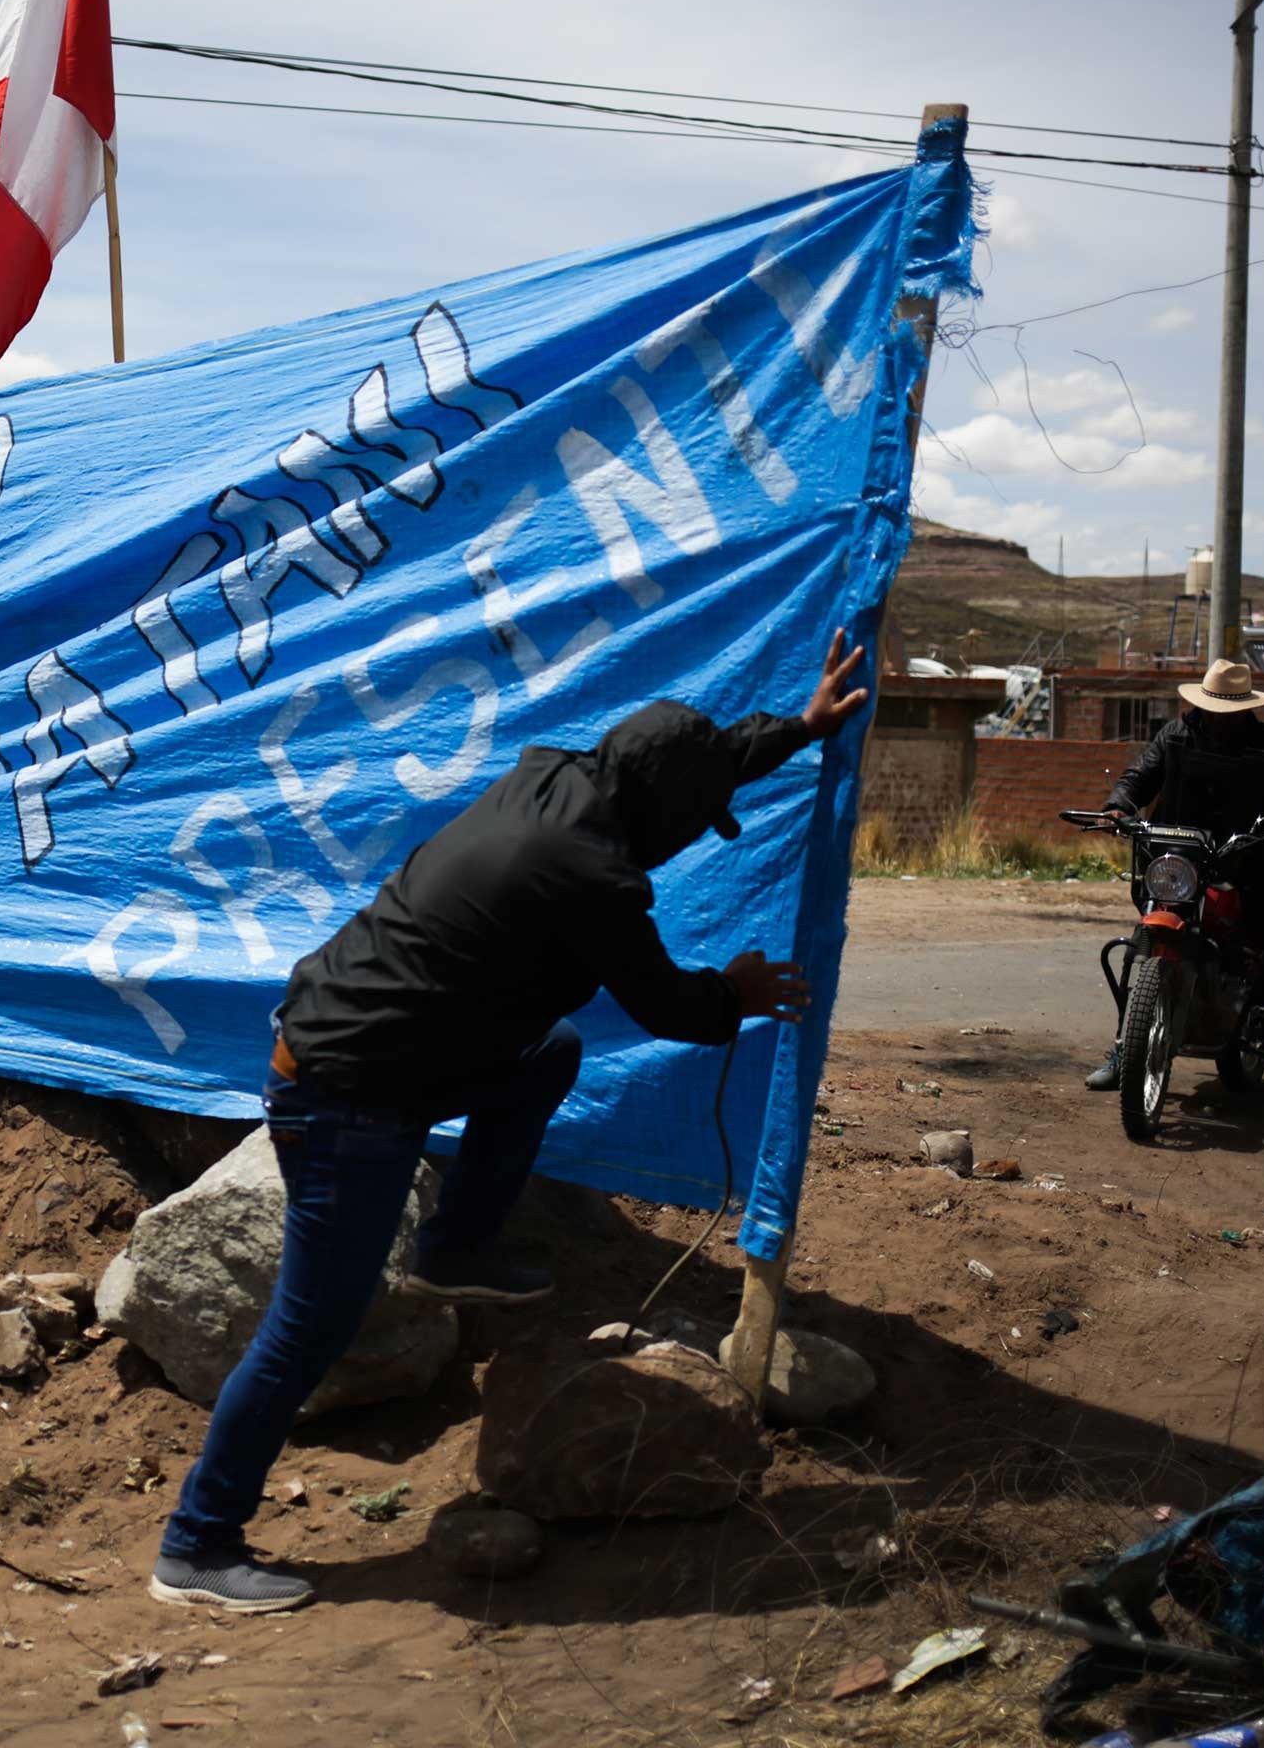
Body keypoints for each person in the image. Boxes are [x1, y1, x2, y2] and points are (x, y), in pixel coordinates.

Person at [147, 632, 874, 1615]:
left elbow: (671, 765)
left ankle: (452, 1247)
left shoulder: (559, 777)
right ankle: (196, 1542)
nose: (693, 837)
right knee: (306, 1331)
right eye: (694, 824)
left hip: (368, 1056)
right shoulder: (590, 873)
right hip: (346, 1094)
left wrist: (798, 727)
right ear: (661, 815)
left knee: (549, 1051)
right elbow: (665, 1003)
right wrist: (735, 993)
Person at [1085, 657, 1264, 1091]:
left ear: (1246, 707)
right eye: (1214, 707)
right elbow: (1139, 776)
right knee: (1141, 946)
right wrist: (1118, 806)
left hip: (1246, 862)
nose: (1220, 716)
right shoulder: (1176, 734)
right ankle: (1126, 1047)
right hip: (1179, 858)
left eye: (1229, 709)